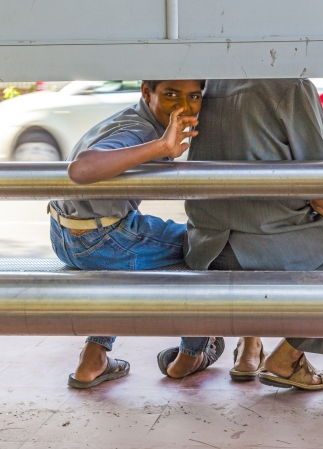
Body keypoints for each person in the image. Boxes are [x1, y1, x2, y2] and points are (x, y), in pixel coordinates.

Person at [160, 78, 323, 390]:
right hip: (268, 245)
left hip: (205, 247)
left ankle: (249, 349)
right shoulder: (291, 86)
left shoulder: (211, 83)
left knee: (250, 217)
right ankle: (288, 357)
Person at [49, 79, 224, 389]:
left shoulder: (134, 116)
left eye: (193, 96)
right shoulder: (141, 131)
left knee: (134, 251)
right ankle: (191, 354)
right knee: (207, 245)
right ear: (147, 92)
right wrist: (162, 147)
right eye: (171, 94)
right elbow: (82, 169)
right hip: (100, 239)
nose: (182, 106)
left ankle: (93, 359)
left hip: (65, 233)